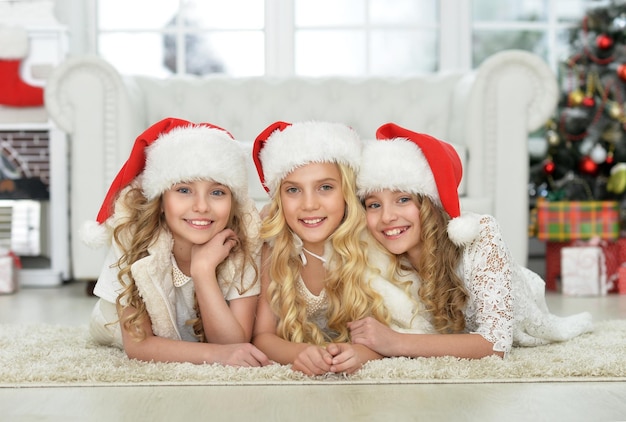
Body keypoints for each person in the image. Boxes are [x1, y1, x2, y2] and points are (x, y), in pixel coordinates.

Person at [350, 122, 594, 359]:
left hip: (512, 295)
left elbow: (495, 344)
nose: (387, 217)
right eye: (374, 204)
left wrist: (396, 342)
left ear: (431, 205)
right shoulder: (374, 248)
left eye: (403, 199)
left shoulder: (480, 236)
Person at [85, 117, 270, 367]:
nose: (202, 206)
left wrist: (202, 271)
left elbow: (233, 342)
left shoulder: (245, 239)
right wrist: (213, 355)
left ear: (233, 201)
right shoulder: (133, 235)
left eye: (217, 192)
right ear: (160, 201)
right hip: (111, 326)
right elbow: (138, 345)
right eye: (184, 190)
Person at [251, 120, 394, 376]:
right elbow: (262, 336)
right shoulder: (276, 247)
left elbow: (393, 331)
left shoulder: (367, 242)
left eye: (325, 187)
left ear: (346, 192)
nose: (309, 204)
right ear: (279, 199)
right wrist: (300, 353)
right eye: (293, 190)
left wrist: (362, 353)